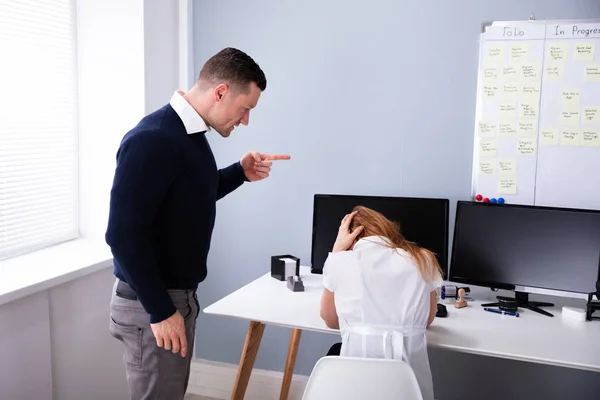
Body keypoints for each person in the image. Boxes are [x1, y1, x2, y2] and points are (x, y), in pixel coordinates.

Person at [105, 47, 290, 399]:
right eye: (245, 108)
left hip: (173, 299)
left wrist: (240, 173)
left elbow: (188, 197)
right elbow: (122, 234)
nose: (245, 120)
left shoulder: (189, 136)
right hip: (153, 302)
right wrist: (161, 310)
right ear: (220, 92)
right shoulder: (154, 138)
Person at [319, 206, 443, 400]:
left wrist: (336, 252)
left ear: (350, 238)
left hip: (357, 390)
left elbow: (330, 320)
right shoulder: (423, 259)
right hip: (409, 391)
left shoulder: (339, 261)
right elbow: (427, 320)